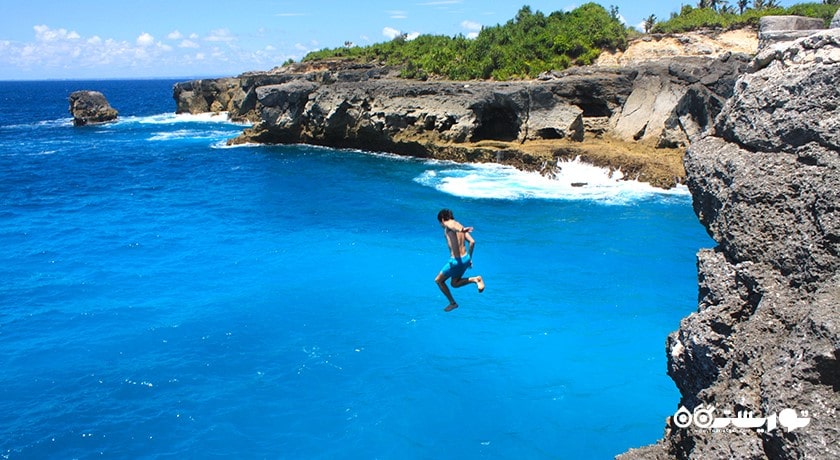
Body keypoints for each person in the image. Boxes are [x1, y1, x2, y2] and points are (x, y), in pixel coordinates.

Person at [435, 208, 485, 312]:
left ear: (443, 219)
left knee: (438, 281)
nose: (441, 225)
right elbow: (472, 242)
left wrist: (461, 230)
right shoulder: (460, 226)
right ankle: (476, 279)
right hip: (465, 259)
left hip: (456, 261)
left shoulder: (449, 225)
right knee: (454, 283)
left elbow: (451, 225)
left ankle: (452, 303)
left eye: (440, 223)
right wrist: (469, 259)